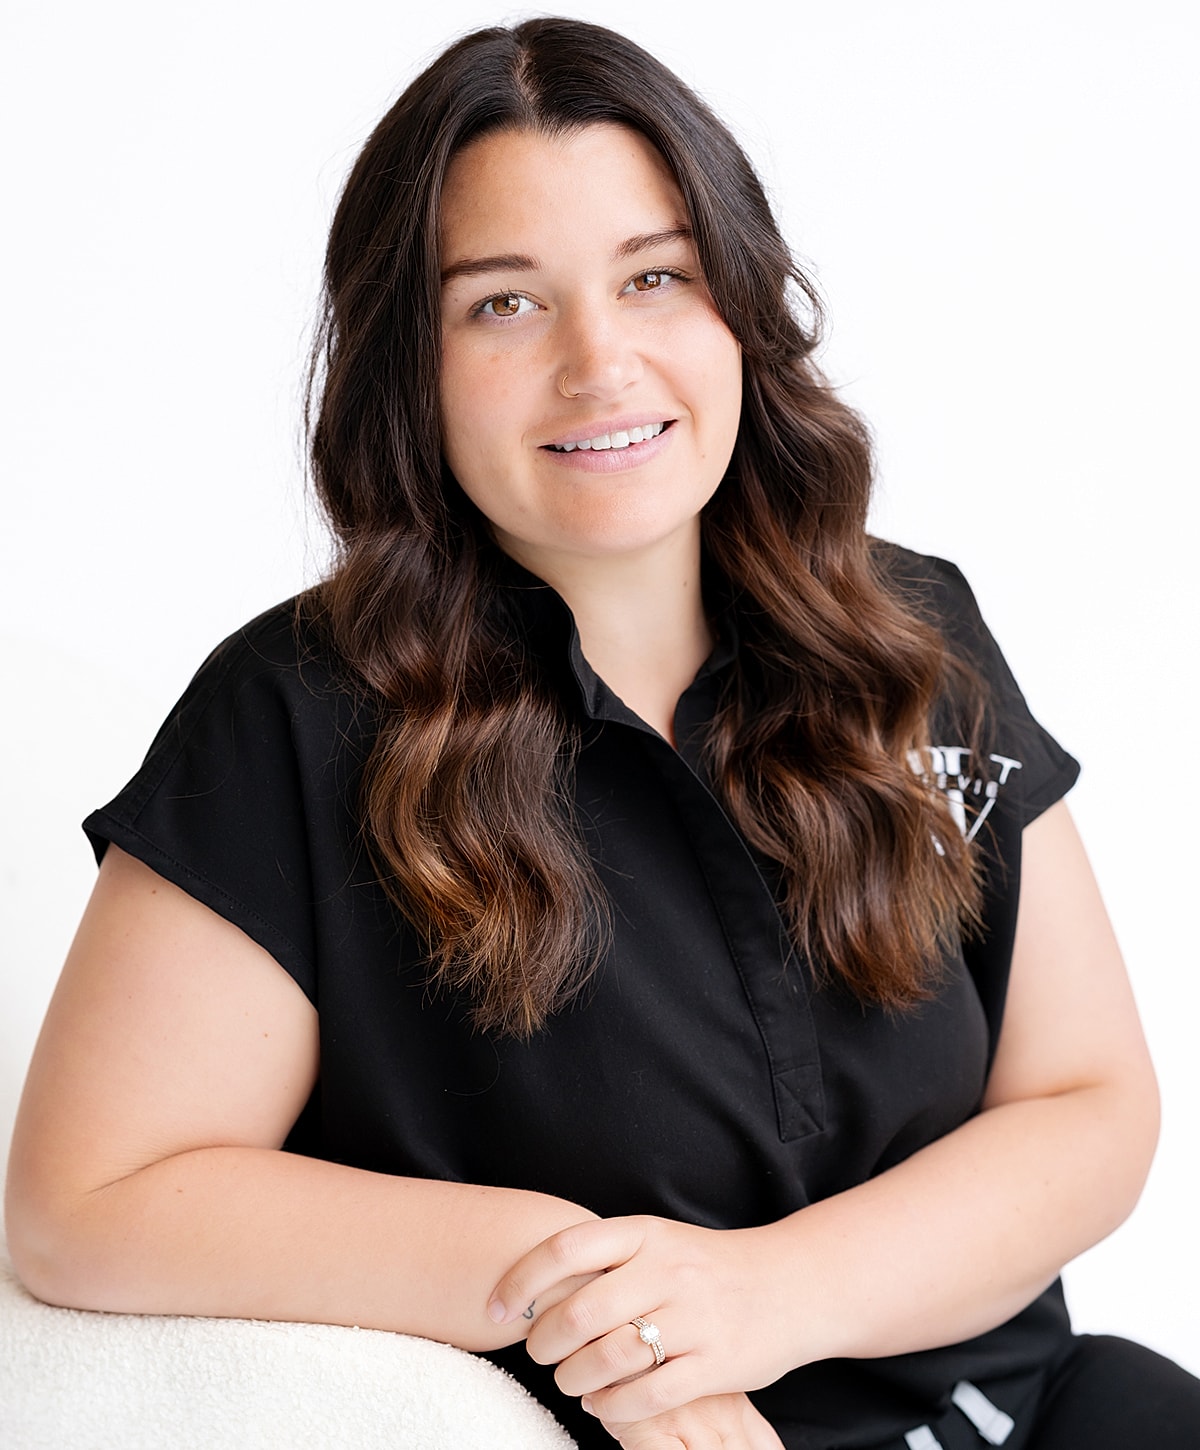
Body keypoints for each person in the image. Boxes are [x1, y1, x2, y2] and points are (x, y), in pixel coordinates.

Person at [5, 16, 1199, 1450]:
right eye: (504, 304)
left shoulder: (910, 631)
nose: (600, 361)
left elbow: (1089, 1099)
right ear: (412, 364)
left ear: (739, 308)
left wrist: (762, 1296)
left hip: (1027, 1409)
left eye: (656, 278)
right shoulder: (291, 716)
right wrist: (597, 1298)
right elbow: (85, 1203)